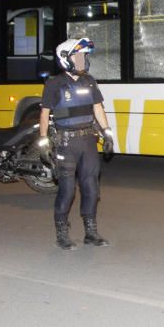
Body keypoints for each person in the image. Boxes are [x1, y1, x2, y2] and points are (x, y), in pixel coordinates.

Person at [37, 37, 115, 250]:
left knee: (91, 188)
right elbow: (44, 114)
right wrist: (43, 141)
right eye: (78, 56)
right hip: (66, 144)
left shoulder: (89, 81)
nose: (82, 60)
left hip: (88, 142)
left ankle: (91, 233)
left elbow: (98, 108)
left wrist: (107, 133)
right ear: (65, 59)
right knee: (67, 190)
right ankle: (62, 234)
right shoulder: (54, 84)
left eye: (84, 56)